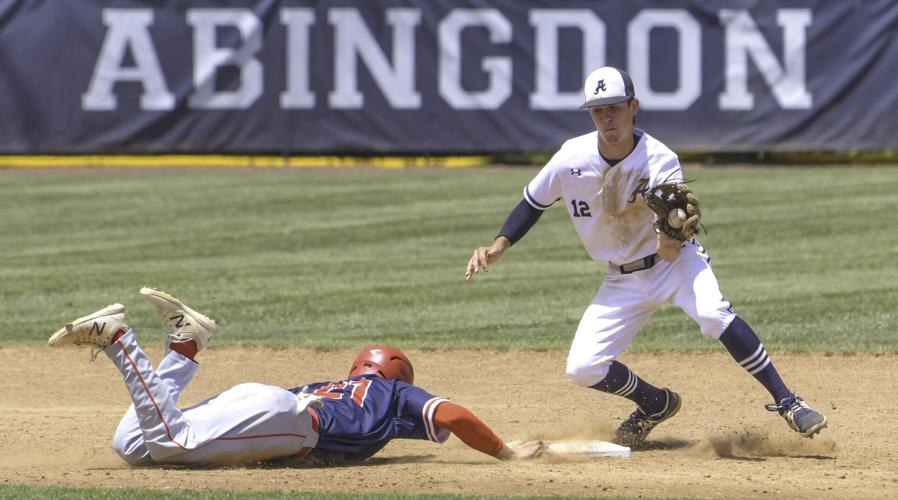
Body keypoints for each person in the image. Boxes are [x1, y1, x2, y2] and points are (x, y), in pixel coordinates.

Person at [464, 66, 827, 446]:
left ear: (633, 106)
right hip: (621, 278)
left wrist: (670, 240)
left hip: (674, 265)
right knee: (582, 368)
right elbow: (532, 202)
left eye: (615, 108)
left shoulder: (659, 159)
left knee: (712, 314)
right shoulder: (570, 157)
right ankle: (654, 403)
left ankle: (788, 400)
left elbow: (669, 245)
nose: (607, 118)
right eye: (598, 110)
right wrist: (498, 244)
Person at [48, 287, 544, 466]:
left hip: (267, 397)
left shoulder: (339, 385)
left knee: (130, 444)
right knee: (172, 444)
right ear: (399, 373)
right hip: (293, 421)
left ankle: (185, 346)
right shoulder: (394, 392)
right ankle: (118, 340)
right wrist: (504, 451)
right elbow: (450, 415)